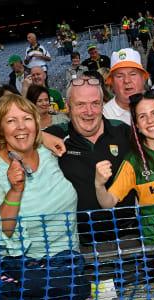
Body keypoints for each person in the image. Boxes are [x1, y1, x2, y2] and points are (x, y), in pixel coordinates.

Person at [0, 94, 88, 300]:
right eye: (11, 121)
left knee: (79, 288)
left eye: (26, 118)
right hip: (23, 271)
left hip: (68, 265)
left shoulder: (49, 154)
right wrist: (14, 191)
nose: (20, 126)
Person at [44, 77, 141, 252]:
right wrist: (40, 136)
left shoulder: (124, 132)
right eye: (80, 104)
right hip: (82, 246)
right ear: (68, 106)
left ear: (103, 104)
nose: (89, 111)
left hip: (130, 238)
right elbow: (12, 135)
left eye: (95, 103)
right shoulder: (57, 136)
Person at [95, 92, 154, 245]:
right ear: (137, 126)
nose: (150, 120)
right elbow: (108, 202)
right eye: (142, 116)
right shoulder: (133, 161)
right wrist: (99, 185)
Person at [103, 48, 154, 130]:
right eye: (119, 76)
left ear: (143, 79)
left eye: (133, 74)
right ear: (112, 83)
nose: (127, 80)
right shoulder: (104, 115)